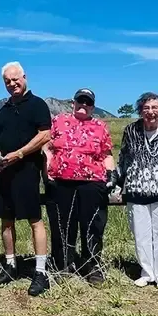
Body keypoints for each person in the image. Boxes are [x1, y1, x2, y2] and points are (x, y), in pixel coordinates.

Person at [42, 88, 116, 285]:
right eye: (80, 101)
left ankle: (92, 265)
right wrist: (47, 169)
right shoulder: (58, 121)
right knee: (62, 225)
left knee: (92, 225)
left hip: (92, 182)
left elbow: (106, 154)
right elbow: (47, 147)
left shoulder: (101, 126)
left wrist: (111, 174)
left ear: (92, 106)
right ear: (73, 103)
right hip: (61, 181)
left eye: (88, 102)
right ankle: (63, 264)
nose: (83, 105)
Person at [0, 61, 52, 296]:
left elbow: (45, 134)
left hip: (27, 170)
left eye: (15, 79)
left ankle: (40, 271)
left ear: (24, 77)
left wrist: (20, 153)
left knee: (34, 220)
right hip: (5, 171)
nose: (12, 84)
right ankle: (10, 264)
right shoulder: (4, 109)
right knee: (6, 220)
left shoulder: (38, 105)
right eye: (7, 81)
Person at [116, 92, 158, 290]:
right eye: (146, 108)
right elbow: (124, 158)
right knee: (141, 233)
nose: (151, 112)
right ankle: (146, 272)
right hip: (137, 190)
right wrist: (120, 184)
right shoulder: (131, 130)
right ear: (140, 110)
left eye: (155, 107)